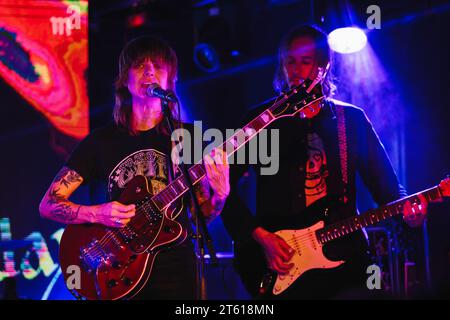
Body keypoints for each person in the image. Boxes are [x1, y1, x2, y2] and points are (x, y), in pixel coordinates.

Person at [220, 24, 427, 299]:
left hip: (346, 258)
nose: (295, 70)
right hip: (283, 261)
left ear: (323, 66)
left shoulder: (350, 120)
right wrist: (260, 236)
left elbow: (387, 188)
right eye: (289, 61)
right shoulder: (261, 122)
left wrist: (409, 214)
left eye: (305, 62)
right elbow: (220, 189)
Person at [39, 36, 230, 300]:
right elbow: (48, 204)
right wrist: (97, 213)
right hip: (119, 273)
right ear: (125, 81)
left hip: (178, 275)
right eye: (140, 65)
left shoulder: (190, 138)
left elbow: (202, 216)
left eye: (159, 66)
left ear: (170, 81)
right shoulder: (101, 141)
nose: (150, 71)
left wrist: (219, 196)